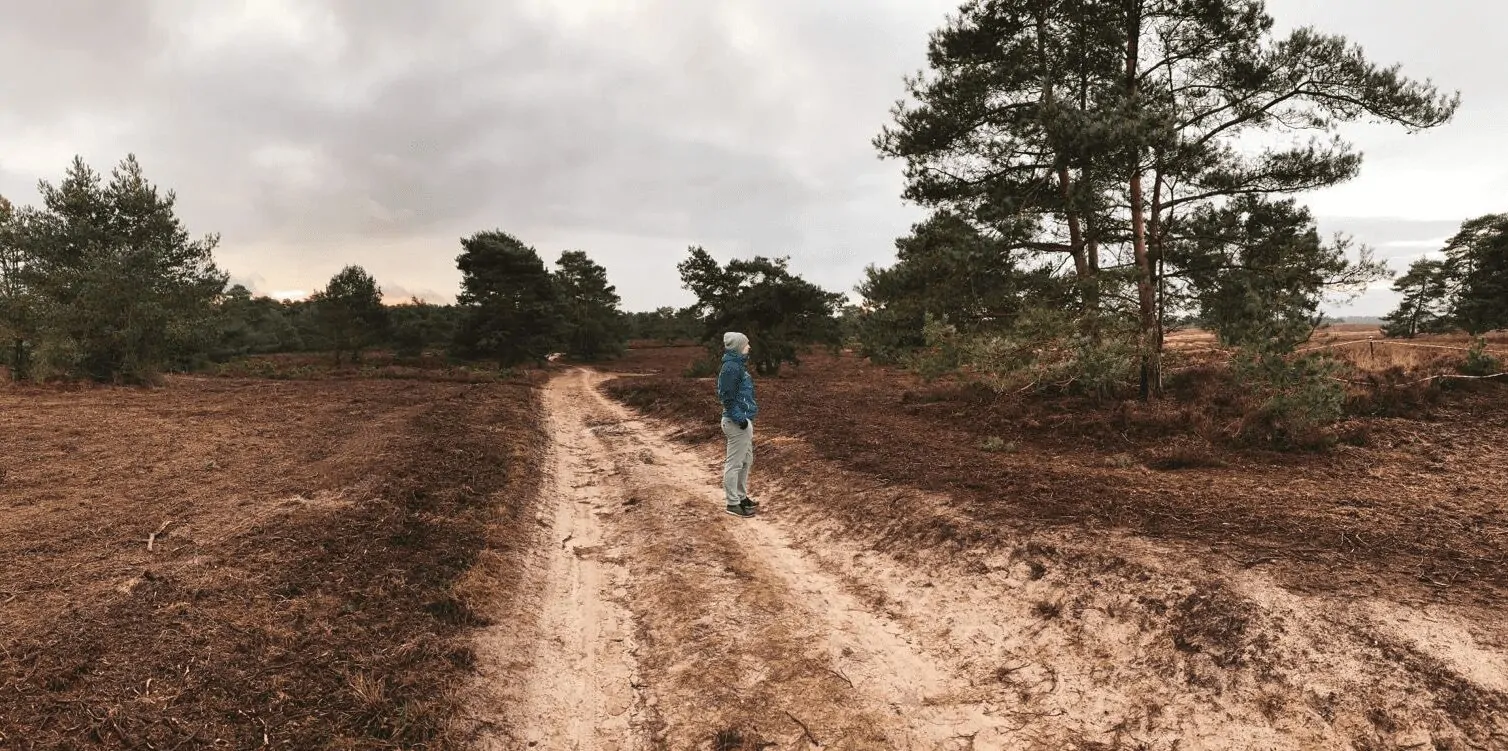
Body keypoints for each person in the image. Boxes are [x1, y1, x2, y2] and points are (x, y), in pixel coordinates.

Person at [717, 332, 759, 518]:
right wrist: (739, 418)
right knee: (734, 464)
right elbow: (727, 396)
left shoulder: (737, 366)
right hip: (736, 423)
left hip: (742, 421)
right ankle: (732, 503)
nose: (749, 346)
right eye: (747, 343)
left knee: (746, 461)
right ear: (739, 346)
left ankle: (741, 497)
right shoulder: (731, 368)